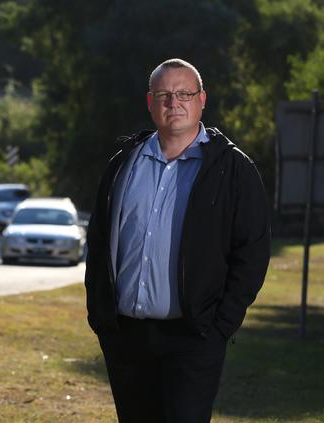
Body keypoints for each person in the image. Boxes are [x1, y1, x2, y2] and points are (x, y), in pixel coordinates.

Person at [84, 58, 271, 423]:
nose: (174, 102)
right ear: (149, 101)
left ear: (202, 99)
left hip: (194, 337)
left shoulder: (232, 169)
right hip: (125, 336)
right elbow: (99, 241)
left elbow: (252, 252)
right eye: (164, 94)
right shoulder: (124, 162)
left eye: (184, 93)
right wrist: (100, 316)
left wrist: (219, 327)